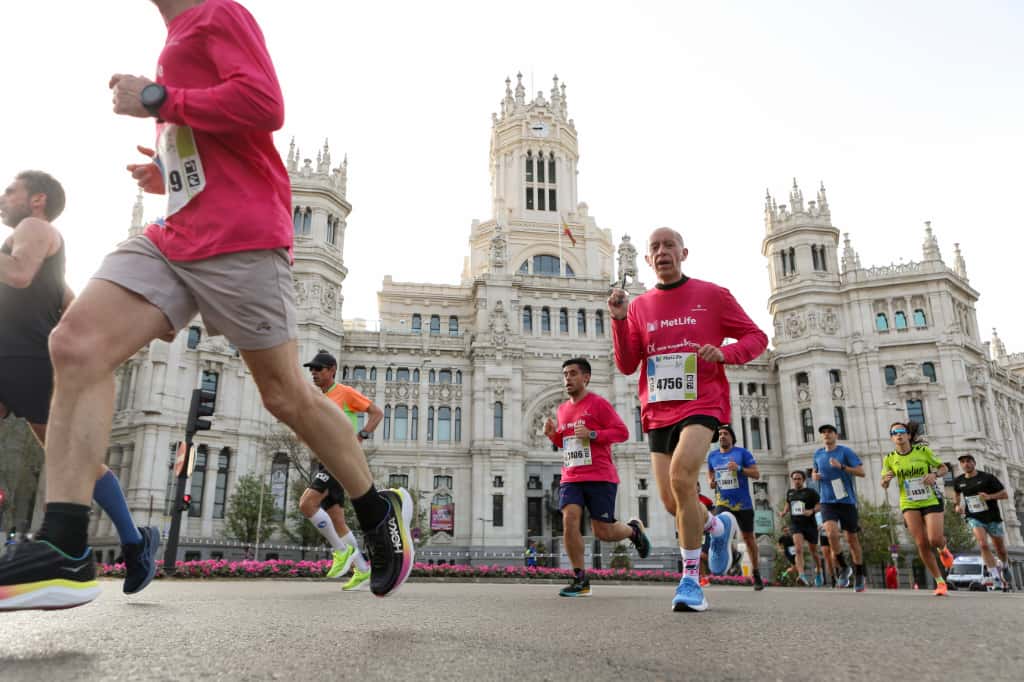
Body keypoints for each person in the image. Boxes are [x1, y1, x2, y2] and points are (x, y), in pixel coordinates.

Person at [0, 0, 413, 611]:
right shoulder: (177, 36)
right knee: (75, 343)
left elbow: (264, 104)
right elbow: (212, 136)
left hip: (241, 238)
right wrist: (169, 170)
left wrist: (156, 98)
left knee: (286, 396)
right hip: (176, 233)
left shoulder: (218, 13)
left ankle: (376, 511)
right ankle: (65, 543)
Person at [0, 170, 161, 601]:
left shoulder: (34, 229)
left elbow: (18, 274)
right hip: (12, 359)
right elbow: (70, 302)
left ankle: (134, 541)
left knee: (77, 462)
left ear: (37, 200)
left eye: (10, 191)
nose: (2, 197)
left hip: (28, 362)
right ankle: (135, 543)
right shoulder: (41, 249)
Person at [608, 227, 768, 611]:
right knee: (671, 501)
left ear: (684, 253)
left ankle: (691, 580)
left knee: (683, 478)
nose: (663, 251)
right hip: (658, 408)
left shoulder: (712, 295)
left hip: (702, 402)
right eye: (655, 247)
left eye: (670, 245)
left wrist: (725, 353)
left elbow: (756, 337)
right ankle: (716, 525)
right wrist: (618, 320)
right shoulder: (639, 306)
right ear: (648, 259)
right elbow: (627, 364)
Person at [544, 357, 650, 597]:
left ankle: (633, 531)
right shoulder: (562, 409)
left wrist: (593, 434)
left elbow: (622, 433)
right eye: (565, 374)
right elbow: (567, 441)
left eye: (573, 373)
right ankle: (580, 579)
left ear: (586, 377)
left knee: (604, 532)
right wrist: (553, 436)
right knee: (569, 519)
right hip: (571, 475)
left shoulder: (599, 404)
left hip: (599, 475)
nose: (568, 378)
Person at [299, 350, 383, 592]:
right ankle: (363, 571)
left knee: (307, 504)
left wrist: (361, 436)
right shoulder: (317, 397)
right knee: (337, 519)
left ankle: (341, 550)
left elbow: (377, 413)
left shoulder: (345, 393)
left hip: (340, 459)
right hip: (326, 460)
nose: (313, 373)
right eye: (311, 369)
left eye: (318, 369)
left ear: (332, 370)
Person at [881, 421, 952, 596]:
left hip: (930, 499)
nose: (898, 434)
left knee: (934, 539)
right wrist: (886, 481)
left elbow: (944, 468)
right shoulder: (889, 458)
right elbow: (883, 482)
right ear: (891, 438)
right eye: (894, 433)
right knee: (921, 543)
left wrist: (934, 475)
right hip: (909, 502)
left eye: (901, 431)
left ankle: (943, 549)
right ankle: (940, 582)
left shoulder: (922, 451)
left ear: (909, 435)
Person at [707, 424, 764, 590]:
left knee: (748, 538)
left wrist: (738, 468)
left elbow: (756, 474)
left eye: (725, 433)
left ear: (732, 437)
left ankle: (756, 573)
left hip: (743, 503)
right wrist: (711, 481)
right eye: (720, 434)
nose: (722, 436)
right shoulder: (713, 456)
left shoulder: (742, 453)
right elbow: (710, 473)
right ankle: (732, 553)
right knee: (718, 529)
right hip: (722, 502)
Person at [812, 424, 866, 591]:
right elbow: (814, 471)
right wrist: (814, 476)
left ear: (836, 435)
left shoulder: (845, 452)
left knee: (851, 539)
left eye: (829, 432)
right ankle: (844, 567)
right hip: (827, 501)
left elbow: (861, 472)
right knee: (831, 534)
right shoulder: (818, 454)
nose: (826, 435)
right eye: (823, 433)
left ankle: (859, 573)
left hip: (846, 500)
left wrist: (842, 467)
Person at [952, 453, 1011, 591]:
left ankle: (1005, 566)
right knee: (983, 544)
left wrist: (989, 496)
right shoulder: (959, 480)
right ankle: (995, 577)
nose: (966, 464)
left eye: (968, 461)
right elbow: (957, 494)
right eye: (963, 462)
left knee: (1000, 549)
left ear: (974, 463)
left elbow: (1004, 494)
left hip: (992, 517)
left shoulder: (987, 478)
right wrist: (957, 505)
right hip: (974, 516)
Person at [779, 469, 821, 586]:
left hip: (810, 525)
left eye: (799, 479)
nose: (797, 481)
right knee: (798, 549)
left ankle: (819, 570)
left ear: (803, 480)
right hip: (796, 525)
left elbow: (819, 505)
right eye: (795, 479)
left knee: (813, 552)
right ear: (792, 480)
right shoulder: (790, 493)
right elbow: (788, 504)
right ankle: (802, 575)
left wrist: (811, 511)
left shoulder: (811, 492)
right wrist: (784, 512)